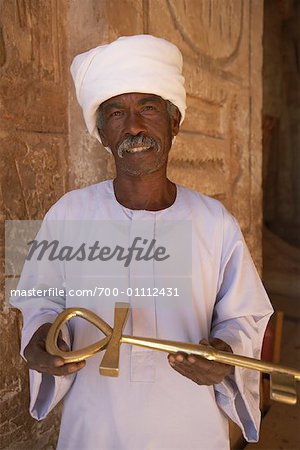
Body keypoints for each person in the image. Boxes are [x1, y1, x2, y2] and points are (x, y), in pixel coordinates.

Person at [11, 35, 273, 450]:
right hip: (93, 423)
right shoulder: (68, 213)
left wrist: (224, 358)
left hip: (190, 425)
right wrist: (43, 339)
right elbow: (37, 298)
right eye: (116, 112)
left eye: (148, 108)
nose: (133, 126)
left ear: (174, 122)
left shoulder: (213, 221)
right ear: (101, 134)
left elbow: (245, 316)